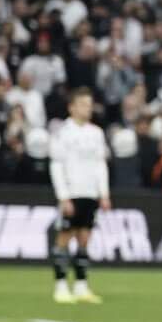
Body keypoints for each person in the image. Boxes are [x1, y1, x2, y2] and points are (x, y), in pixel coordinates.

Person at [48, 86, 110, 305]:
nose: (87, 109)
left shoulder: (96, 133)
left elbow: (100, 164)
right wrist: (63, 196)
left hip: (90, 193)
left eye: (89, 105)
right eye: (83, 105)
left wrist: (104, 193)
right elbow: (56, 165)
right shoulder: (63, 132)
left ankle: (82, 286)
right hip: (72, 192)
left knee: (84, 239)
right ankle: (61, 285)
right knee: (64, 238)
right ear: (71, 107)